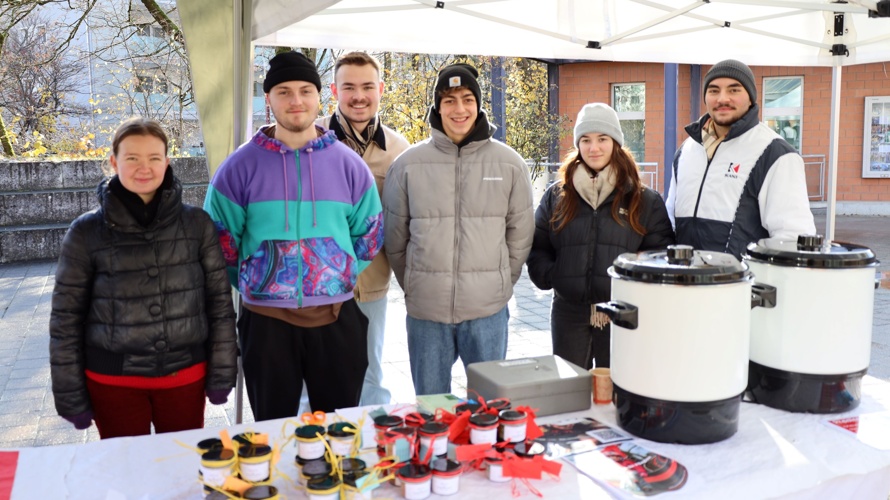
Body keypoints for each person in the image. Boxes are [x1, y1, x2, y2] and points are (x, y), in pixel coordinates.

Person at [204, 51, 382, 421]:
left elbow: (369, 235)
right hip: (266, 325)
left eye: (305, 90)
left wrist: (335, 272)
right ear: (268, 99)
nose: (296, 101)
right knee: (272, 431)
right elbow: (219, 242)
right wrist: (263, 278)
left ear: (320, 97)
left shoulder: (349, 165)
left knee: (338, 430)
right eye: (283, 92)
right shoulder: (239, 167)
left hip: (336, 320)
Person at [49, 117, 237, 439]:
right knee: (125, 478)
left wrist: (221, 373)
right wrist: (70, 395)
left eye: (153, 158)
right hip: (113, 383)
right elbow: (66, 318)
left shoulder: (197, 225)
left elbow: (218, 304)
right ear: (113, 162)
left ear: (167, 162)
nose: (144, 168)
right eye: (132, 158)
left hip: (184, 376)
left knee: (181, 473)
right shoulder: (85, 232)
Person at [383, 62, 535, 396]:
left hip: (487, 312)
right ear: (437, 106)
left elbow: (520, 234)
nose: (459, 109)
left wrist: (498, 284)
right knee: (431, 407)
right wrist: (416, 284)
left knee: (488, 407)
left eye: (467, 98)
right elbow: (394, 238)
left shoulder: (510, 164)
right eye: (449, 100)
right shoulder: (407, 165)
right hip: (427, 312)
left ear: (478, 104)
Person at [526, 103, 675, 370]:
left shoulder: (644, 199)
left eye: (602, 139)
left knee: (619, 396)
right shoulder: (557, 195)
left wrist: (634, 292)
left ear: (615, 143)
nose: (594, 148)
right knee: (570, 394)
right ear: (578, 145)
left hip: (622, 314)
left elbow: (660, 257)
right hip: (568, 313)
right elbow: (539, 247)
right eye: (586, 140)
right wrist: (554, 275)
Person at [316, 51, 410, 406]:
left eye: (367, 86)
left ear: (381, 89)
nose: (359, 95)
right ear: (334, 90)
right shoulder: (312, 140)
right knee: (316, 380)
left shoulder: (399, 150)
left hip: (371, 285)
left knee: (371, 376)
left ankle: (372, 453)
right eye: (349, 87)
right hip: (318, 286)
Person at [665, 59, 816, 259]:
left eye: (734, 90)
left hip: (742, 286)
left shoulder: (775, 153)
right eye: (713, 90)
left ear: (751, 97)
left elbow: (793, 239)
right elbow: (671, 223)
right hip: (687, 284)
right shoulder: (686, 151)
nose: (722, 99)